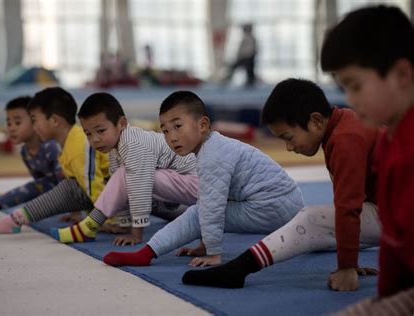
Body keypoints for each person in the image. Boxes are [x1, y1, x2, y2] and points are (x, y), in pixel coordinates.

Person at [181, 78, 381, 290]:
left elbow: (349, 208)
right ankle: (238, 269)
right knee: (325, 226)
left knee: (312, 218)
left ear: (316, 121)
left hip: (400, 216)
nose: (288, 147)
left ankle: (238, 269)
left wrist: (347, 268)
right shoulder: (344, 125)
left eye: (288, 137)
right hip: (395, 212)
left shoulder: (345, 139)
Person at [102, 91, 305, 267]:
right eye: (165, 131)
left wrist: (213, 253)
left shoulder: (212, 154)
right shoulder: (212, 147)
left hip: (275, 205)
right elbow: (212, 198)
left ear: (203, 125)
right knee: (201, 209)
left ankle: (145, 254)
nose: (171, 137)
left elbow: (212, 208)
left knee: (200, 212)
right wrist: (204, 244)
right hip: (285, 203)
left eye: (178, 126)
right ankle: (148, 253)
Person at [320, 5, 414, 314]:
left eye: (355, 85)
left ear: (401, 75)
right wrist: (385, 298)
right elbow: (392, 243)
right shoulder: (388, 143)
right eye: (345, 88)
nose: (350, 99)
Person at [50, 92, 198, 245]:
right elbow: (122, 191)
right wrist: (124, 223)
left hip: (196, 183)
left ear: (121, 123)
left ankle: (89, 226)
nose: (95, 139)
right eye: (88, 134)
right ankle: (90, 225)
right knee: (124, 177)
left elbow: (138, 190)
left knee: (130, 178)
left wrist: (136, 234)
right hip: (182, 185)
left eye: (101, 131)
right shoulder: (116, 149)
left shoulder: (132, 145)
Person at [0, 87, 109, 235]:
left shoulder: (77, 145)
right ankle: (16, 219)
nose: (34, 127)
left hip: (120, 199)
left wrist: (108, 221)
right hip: (107, 197)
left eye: (34, 121)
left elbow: (94, 185)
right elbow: (84, 187)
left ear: (54, 120)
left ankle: (16, 219)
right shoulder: (66, 146)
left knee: (69, 187)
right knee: (69, 186)